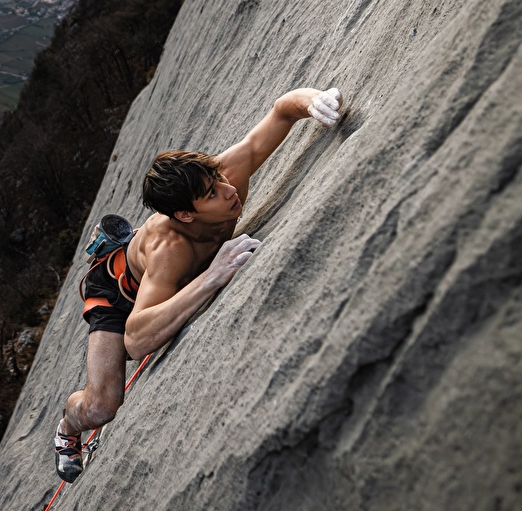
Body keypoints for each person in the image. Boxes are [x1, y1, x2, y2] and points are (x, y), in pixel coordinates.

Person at [54, 87, 344, 483]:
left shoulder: (225, 177)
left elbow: (280, 112)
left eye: (219, 179)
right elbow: (136, 340)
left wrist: (313, 101)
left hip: (157, 280)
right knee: (102, 406)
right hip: (117, 294)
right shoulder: (170, 250)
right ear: (185, 215)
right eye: (212, 193)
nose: (228, 191)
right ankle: (68, 428)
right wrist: (211, 276)